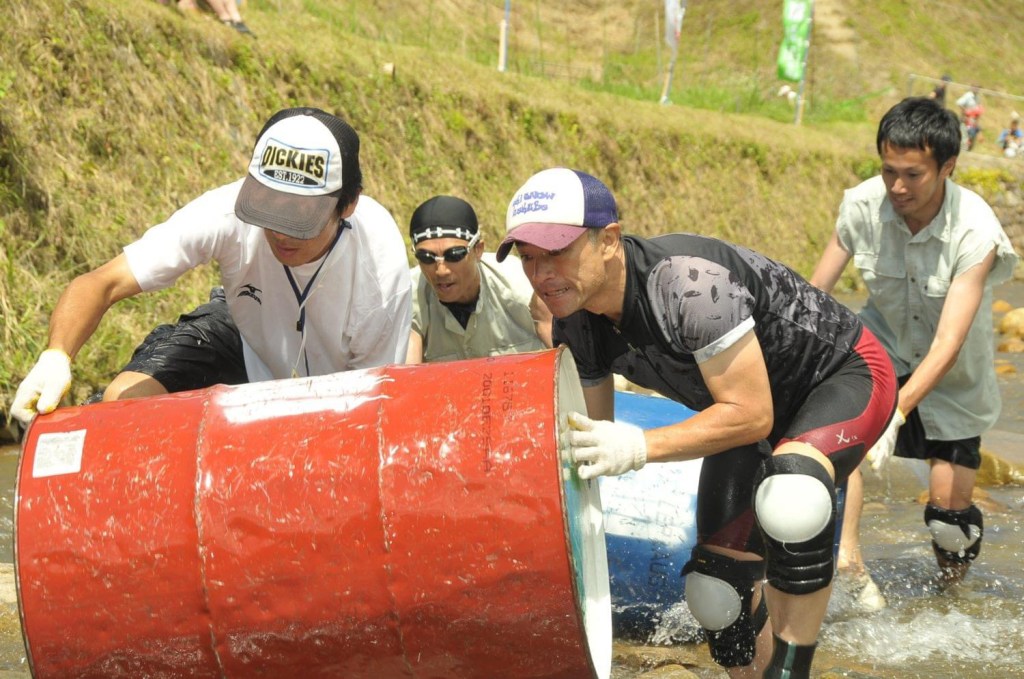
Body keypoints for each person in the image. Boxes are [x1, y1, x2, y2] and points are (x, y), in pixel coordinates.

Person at [497, 167, 898, 679]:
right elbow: (592, 443)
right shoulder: (573, 318)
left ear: (609, 241)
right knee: (713, 592)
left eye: (556, 252)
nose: (542, 273)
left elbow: (751, 414)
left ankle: (794, 670)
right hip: (745, 417)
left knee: (792, 497)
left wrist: (639, 446)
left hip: (841, 376)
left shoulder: (689, 285)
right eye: (528, 259)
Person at [11, 106, 412, 424]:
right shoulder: (224, 211)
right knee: (124, 400)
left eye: (299, 220)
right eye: (268, 210)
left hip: (338, 388)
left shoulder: (379, 269)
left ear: (348, 205)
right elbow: (103, 283)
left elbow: (367, 408)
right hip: (244, 336)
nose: (280, 233)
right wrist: (56, 356)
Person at [811, 97, 1019, 587]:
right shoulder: (862, 205)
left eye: (913, 174)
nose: (897, 187)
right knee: (835, 446)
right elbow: (813, 294)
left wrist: (896, 414)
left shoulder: (975, 230)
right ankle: (851, 568)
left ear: (947, 167)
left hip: (954, 375)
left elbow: (948, 342)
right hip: (880, 347)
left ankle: (950, 596)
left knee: (949, 518)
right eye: (888, 171)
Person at [405, 194, 552, 364]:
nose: (441, 270)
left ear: (478, 250)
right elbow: (406, 379)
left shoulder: (522, 286)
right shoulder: (410, 296)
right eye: (426, 257)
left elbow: (569, 369)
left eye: (454, 255)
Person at [956, 85, 983, 150]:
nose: (977, 90)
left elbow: (978, 109)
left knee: (971, 137)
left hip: (972, 121)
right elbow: (959, 103)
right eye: (976, 88)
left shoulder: (977, 97)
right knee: (964, 137)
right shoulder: (968, 95)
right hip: (965, 120)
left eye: (978, 88)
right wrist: (965, 112)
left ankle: (968, 150)